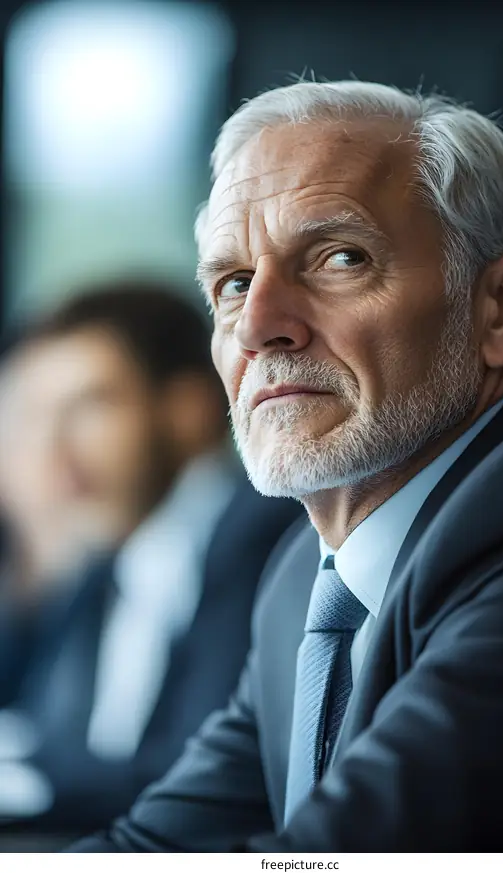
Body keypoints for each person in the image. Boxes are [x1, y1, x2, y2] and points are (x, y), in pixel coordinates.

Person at [68, 79, 503, 852]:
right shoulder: (304, 579)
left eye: (338, 258)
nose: (257, 327)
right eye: (233, 284)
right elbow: (155, 847)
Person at [0, 279, 302, 834]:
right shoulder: (107, 562)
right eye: (37, 417)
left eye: (90, 406)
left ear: (186, 410)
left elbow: (203, 778)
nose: (54, 450)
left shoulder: (267, 542)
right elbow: (48, 731)